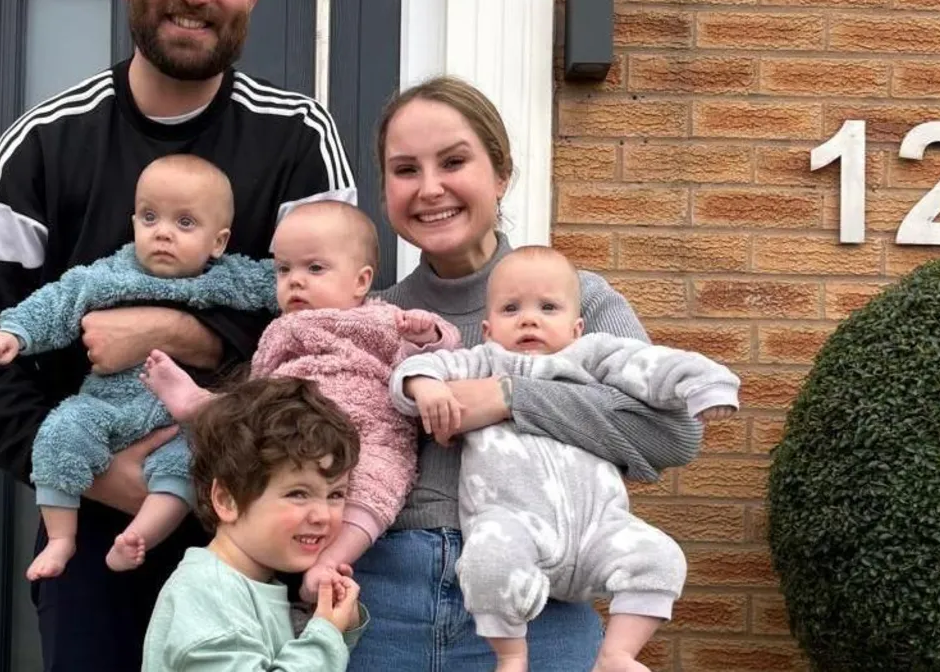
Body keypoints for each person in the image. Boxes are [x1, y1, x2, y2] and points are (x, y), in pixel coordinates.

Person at [0, 0, 355, 670]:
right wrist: (105, 479)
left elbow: (334, 328)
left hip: (264, 550)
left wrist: (182, 335)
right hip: (96, 536)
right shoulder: (39, 146)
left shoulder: (300, 140)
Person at [344, 76, 706, 671]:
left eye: (454, 161)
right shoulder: (370, 321)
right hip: (380, 605)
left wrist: (507, 396)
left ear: (501, 173)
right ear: (384, 189)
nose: (430, 188)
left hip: (540, 605)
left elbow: (672, 433)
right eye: (405, 169)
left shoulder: (578, 302)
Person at [390, 245, 741, 672]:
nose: (529, 318)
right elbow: (419, 368)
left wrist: (707, 386)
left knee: (661, 557)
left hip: (599, 526)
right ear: (486, 329)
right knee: (490, 561)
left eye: (548, 308)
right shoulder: (483, 359)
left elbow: (653, 368)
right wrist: (426, 388)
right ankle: (512, 657)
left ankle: (617, 655)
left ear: (577, 327)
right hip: (514, 524)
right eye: (511, 309)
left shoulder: (593, 355)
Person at [0, 155, 278, 580]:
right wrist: (14, 334)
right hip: (109, 406)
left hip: (181, 417)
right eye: (150, 218)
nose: (163, 234)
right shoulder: (108, 276)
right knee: (62, 428)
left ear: (219, 241)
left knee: (187, 462)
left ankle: (139, 535)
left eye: (185, 223)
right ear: (133, 221)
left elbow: (284, 284)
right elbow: (56, 304)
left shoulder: (228, 279)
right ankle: (62, 537)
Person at [140, 199, 460, 598]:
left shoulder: (380, 319)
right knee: (250, 443)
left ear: (361, 281)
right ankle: (200, 404)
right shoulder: (280, 330)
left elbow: (441, 354)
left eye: (314, 268)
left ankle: (328, 564)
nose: (295, 281)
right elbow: (259, 385)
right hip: (292, 426)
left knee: (382, 482)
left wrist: (426, 332)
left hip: (367, 433)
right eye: (284, 269)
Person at [141, 375, 367, 671]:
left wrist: (337, 630)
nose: (323, 515)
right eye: (298, 493)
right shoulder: (209, 593)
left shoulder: (243, 585)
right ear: (227, 500)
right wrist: (325, 635)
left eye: (336, 494)